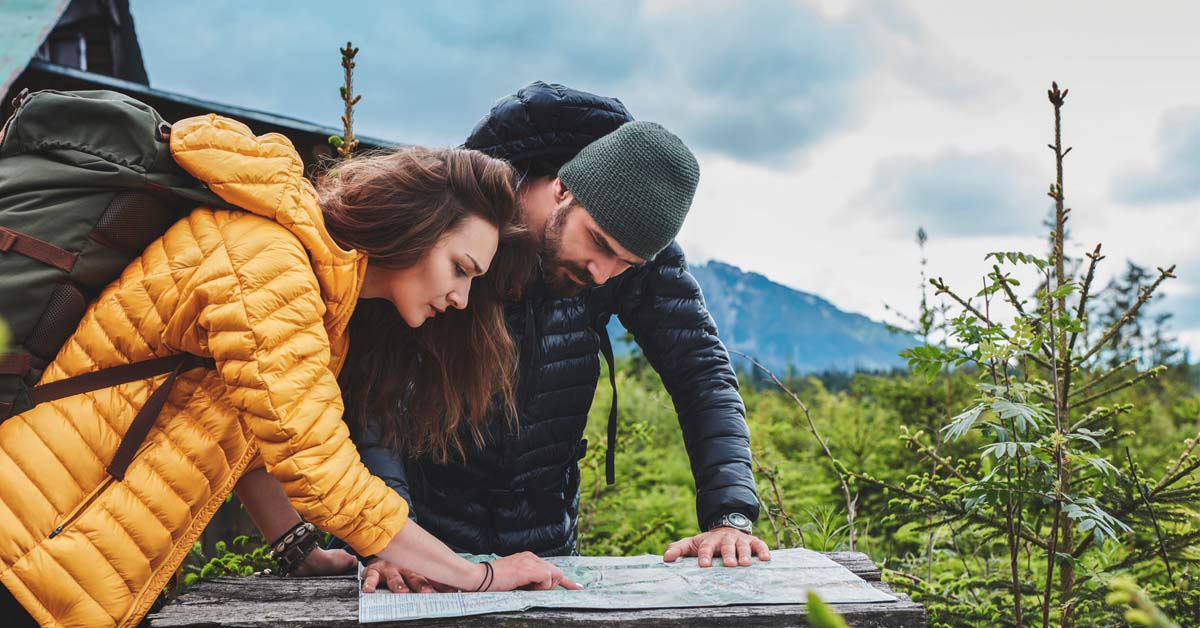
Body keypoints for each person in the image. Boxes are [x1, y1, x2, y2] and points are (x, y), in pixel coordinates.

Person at [0, 114, 579, 628]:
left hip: (62, 559)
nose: (460, 297)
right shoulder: (270, 264)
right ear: (414, 228)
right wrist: (477, 578)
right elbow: (316, 467)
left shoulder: (317, 298)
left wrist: (299, 548)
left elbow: (255, 440)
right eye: (461, 268)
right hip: (27, 546)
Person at [351, 83, 771, 594]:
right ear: (562, 188)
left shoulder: (630, 241)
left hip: (549, 538)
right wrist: (392, 539)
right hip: (425, 527)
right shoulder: (462, 219)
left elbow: (701, 371)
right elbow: (378, 384)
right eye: (597, 243)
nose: (603, 272)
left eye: (626, 264)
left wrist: (730, 516)